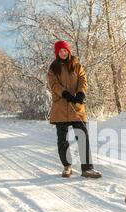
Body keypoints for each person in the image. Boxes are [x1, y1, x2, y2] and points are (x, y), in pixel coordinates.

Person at [47, 40, 102, 178]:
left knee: (82, 135)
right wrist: (64, 93)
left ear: (68, 51)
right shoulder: (53, 68)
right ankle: (67, 166)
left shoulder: (77, 64)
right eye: (60, 51)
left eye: (65, 50)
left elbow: (83, 79)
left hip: (76, 107)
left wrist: (80, 92)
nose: (63, 53)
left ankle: (87, 169)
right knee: (62, 139)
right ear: (57, 53)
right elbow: (53, 84)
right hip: (60, 107)